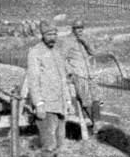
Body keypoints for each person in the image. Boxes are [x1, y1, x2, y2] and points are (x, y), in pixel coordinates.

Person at [27, 20, 74, 157]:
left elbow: (63, 79)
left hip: (60, 105)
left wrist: (69, 101)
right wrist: (39, 104)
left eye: (54, 34)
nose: (52, 37)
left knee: (61, 145)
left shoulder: (57, 52)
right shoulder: (35, 52)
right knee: (49, 146)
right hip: (46, 106)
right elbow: (33, 80)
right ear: (42, 35)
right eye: (49, 34)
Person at [58, 20, 101, 126]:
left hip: (89, 73)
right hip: (78, 73)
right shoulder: (68, 41)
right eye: (78, 28)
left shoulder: (84, 39)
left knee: (96, 97)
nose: (80, 30)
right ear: (73, 29)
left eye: (82, 28)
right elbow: (62, 58)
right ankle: (95, 124)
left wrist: (85, 42)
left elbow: (93, 52)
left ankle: (98, 122)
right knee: (86, 100)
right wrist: (70, 71)